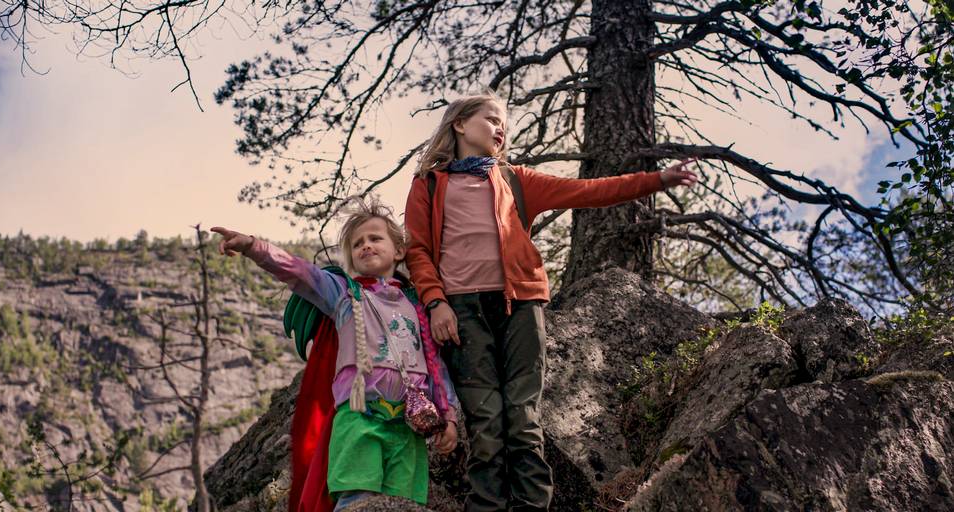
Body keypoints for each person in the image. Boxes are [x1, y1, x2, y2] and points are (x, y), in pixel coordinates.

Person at [404, 92, 698, 511]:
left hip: (520, 308)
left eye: (504, 122)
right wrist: (436, 303)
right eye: (491, 119)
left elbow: (590, 191)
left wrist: (658, 180)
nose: (501, 128)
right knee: (485, 424)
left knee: (523, 419)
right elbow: (417, 251)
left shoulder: (517, 181)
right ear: (460, 124)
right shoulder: (429, 184)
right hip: (462, 313)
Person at [211, 197, 460, 511]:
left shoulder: (418, 304)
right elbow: (298, 272)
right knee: (356, 500)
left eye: (375, 238)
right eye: (357, 244)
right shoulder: (344, 296)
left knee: (405, 504)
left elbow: (437, 367)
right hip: (359, 419)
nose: (366, 246)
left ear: (398, 250)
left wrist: (448, 418)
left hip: (409, 427)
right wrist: (252, 246)